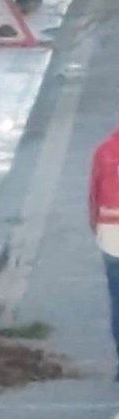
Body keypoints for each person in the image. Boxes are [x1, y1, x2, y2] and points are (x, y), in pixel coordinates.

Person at [89, 122, 119, 380]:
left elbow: (94, 194)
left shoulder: (104, 150)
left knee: (118, 299)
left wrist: (94, 225)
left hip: (111, 230)